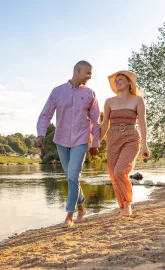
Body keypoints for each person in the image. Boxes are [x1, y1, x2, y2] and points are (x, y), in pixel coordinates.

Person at [37, 60, 101, 228]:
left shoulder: (90, 94)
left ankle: (69, 216)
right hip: (61, 140)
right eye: (88, 73)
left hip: (80, 139)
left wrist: (95, 143)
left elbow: (96, 121)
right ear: (78, 70)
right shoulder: (58, 92)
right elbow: (46, 115)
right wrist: (41, 134)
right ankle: (81, 207)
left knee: (73, 175)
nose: (90, 77)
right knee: (70, 177)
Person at [101, 70, 150, 216]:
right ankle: (121, 205)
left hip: (131, 137)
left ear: (129, 82)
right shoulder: (109, 102)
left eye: (120, 79)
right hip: (113, 138)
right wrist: (96, 142)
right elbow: (104, 124)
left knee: (120, 171)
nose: (117, 81)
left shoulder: (138, 100)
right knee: (113, 173)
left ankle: (127, 203)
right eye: (115, 80)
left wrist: (145, 144)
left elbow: (142, 123)